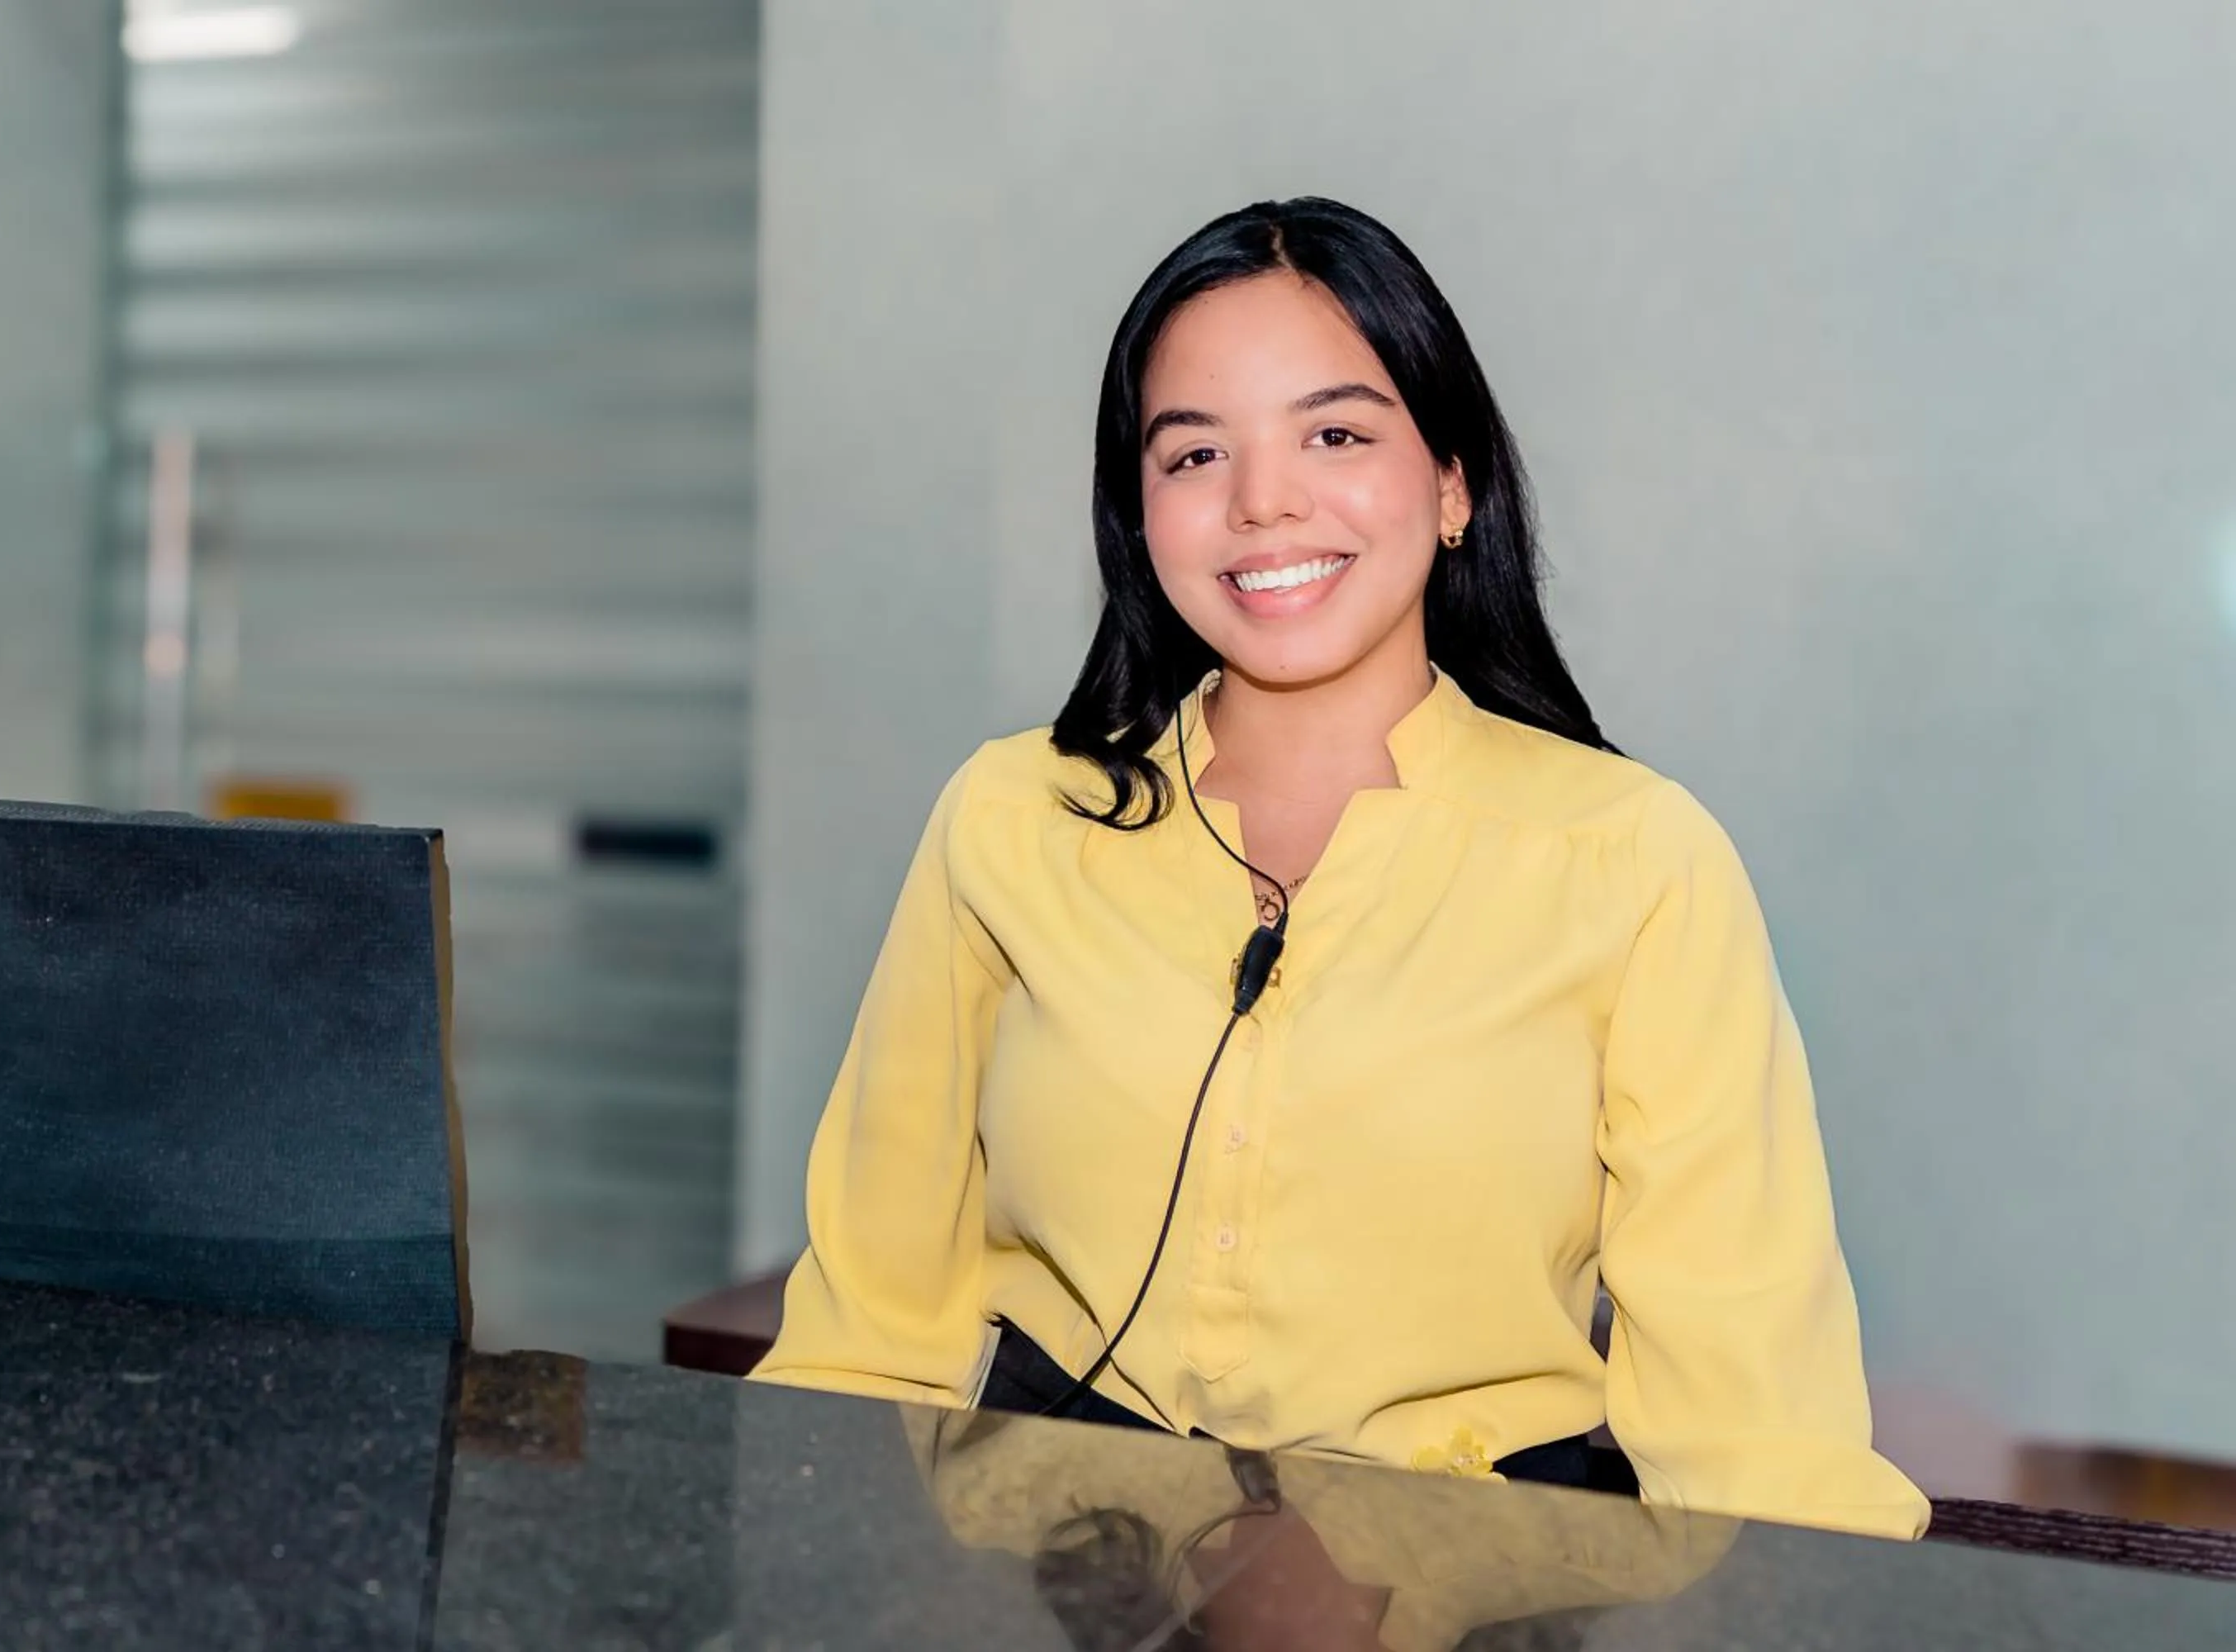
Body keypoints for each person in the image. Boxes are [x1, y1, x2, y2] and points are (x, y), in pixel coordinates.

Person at [752, 196, 1929, 1542]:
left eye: (1335, 433)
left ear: (1451, 482)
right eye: (1194, 455)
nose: (1263, 502)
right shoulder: (1010, 819)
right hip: (1058, 1574)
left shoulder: (1633, 862)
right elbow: (862, 1337)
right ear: (1139, 514)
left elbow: (1755, 1434)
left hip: (1484, 1585)